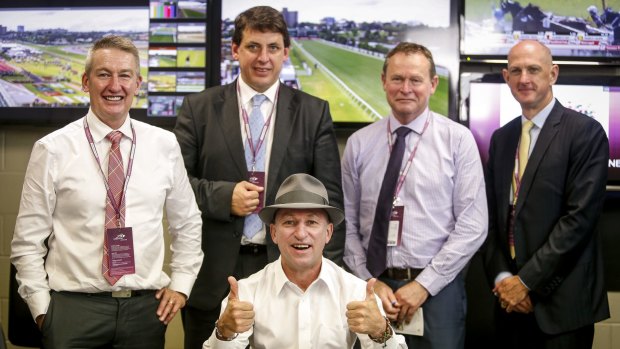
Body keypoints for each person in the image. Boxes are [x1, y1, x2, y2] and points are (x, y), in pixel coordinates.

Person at [10, 35, 203, 349]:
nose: (115, 85)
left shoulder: (163, 145)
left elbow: (188, 223)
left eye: (125, 75)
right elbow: (26, 241)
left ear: (138, 83)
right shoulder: (53, 149)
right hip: (73, 310)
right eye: (104, 74)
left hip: (144, 311)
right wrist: (42, 310)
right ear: (86, 82)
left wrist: (181, 286)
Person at [173, 6, 344, 348]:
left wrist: (328, 279)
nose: (263, 58)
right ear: (235, 49)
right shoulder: (199, 108)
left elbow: (331, 203)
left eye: (273, 48)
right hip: (212, 276)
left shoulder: (313, 112)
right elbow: (174, 188)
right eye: (253, 47)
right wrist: (224, 197)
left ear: (285, 52)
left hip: (289, 271)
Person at [342, 42, 487, 349]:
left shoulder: (458, 141)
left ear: (433, 84)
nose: (405, 88)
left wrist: (423, 285)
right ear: (383, 81)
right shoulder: (358, 144)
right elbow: (345, 225)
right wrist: (368, 281)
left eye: (416, 80)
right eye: (397, 78)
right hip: (373, 288)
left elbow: (473, 225)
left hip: (437, 290)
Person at [482, 40, 610, 348]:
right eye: (516, 70)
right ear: (505, 77)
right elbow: (490, 221)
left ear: (553, 74)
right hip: (509, 306)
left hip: (560, 307)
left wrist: (526, 283)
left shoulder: (586, 133)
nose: (524, 78)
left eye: (533, 69)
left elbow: (578, 220)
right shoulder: (501, 138)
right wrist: (503, 280)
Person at [203, 174, 406, 348]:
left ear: (328, 233)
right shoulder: (247, 291)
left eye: (311, 222)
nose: (301, 233)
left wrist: (381, 331)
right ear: (274, 233)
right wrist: (224, 331)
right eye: (290, 222)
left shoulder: (357, 291)